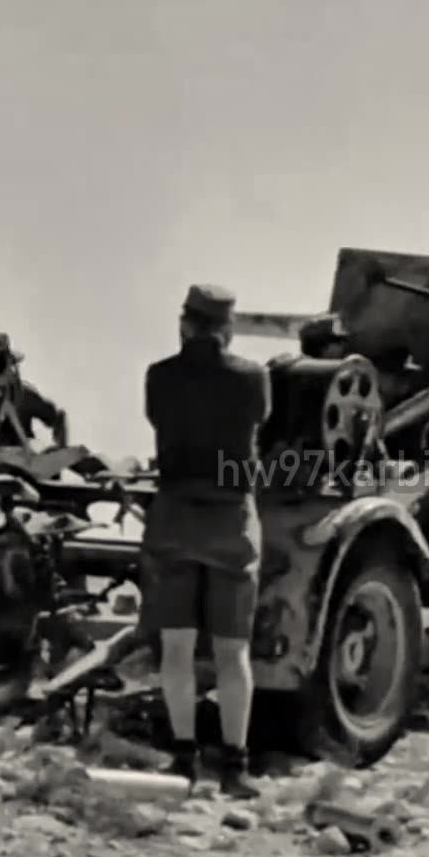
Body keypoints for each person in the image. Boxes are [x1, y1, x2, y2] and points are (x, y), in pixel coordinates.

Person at [141, 284, 271, 798]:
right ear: (228, 327)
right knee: (232, 652)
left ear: (184, 324)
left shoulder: (159, 376)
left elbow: (157, 420)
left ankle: (183, 760)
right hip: (229, 520)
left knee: (176, 648)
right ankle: (235, 767)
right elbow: (260, 422)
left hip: (173, 517)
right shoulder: (252, 378)